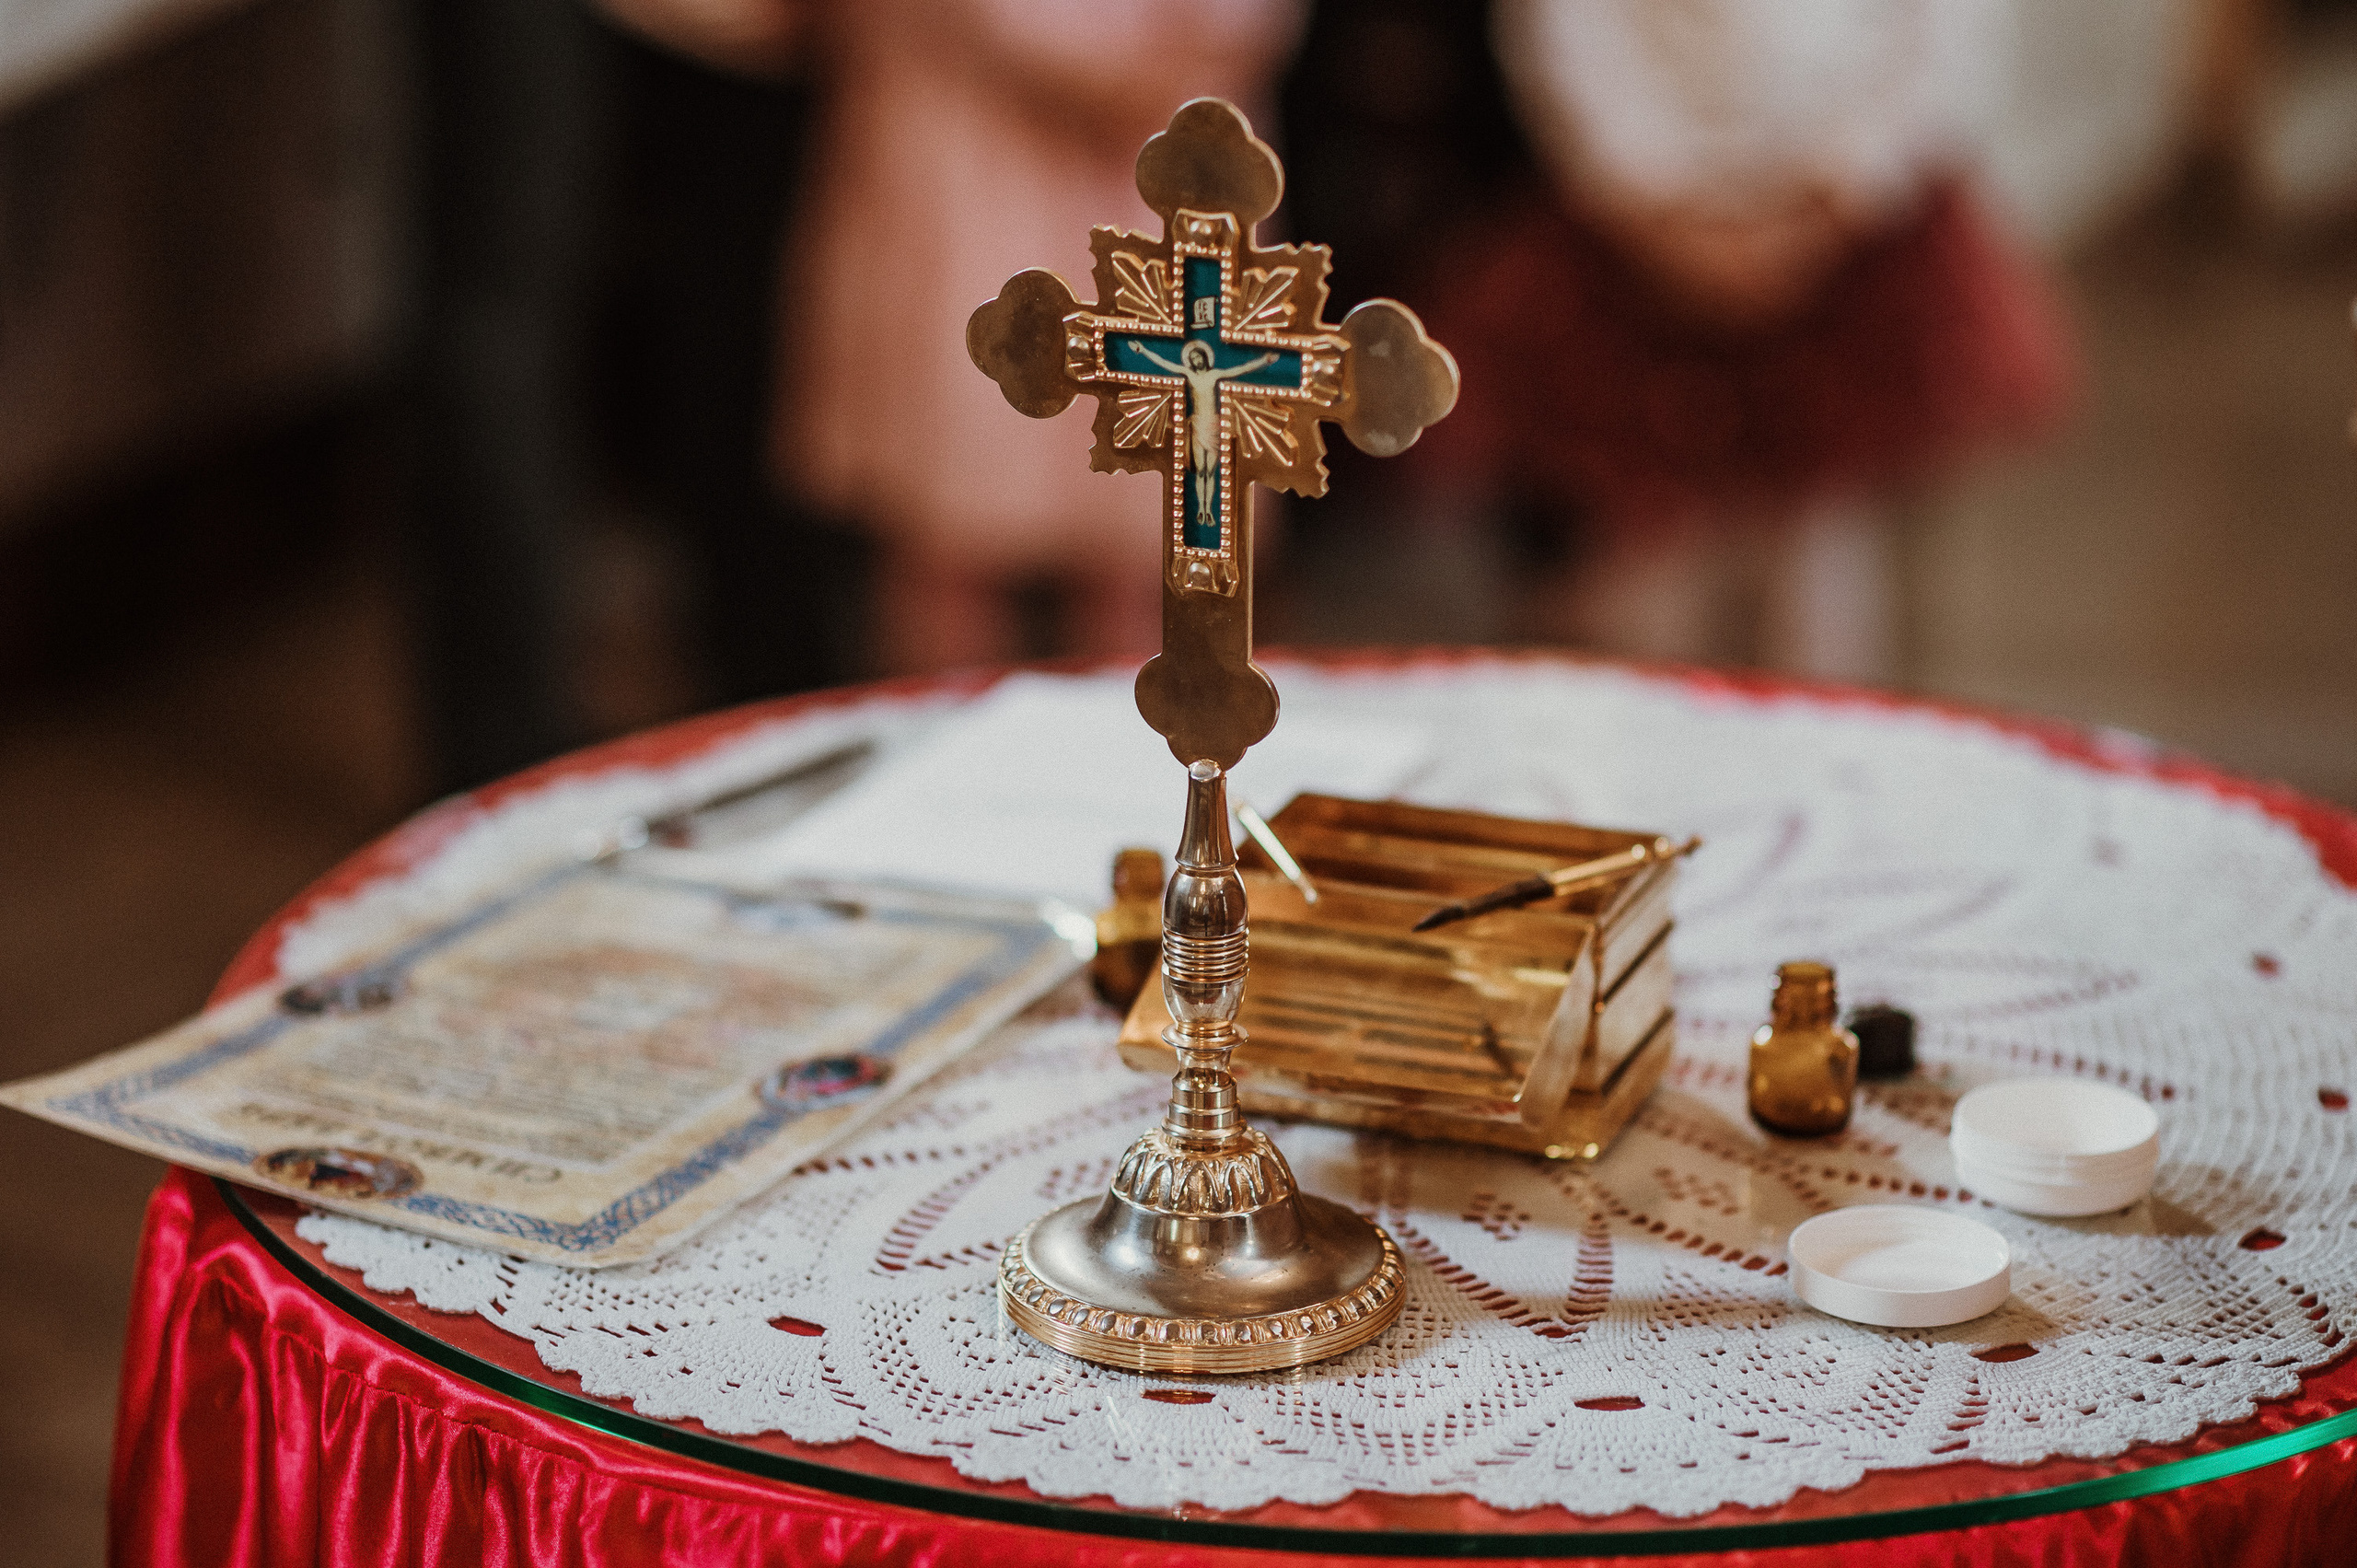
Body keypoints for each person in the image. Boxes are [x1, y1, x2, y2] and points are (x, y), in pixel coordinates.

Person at [1414, 0, 2075, 679]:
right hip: (1633, 219)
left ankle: (1808, 709)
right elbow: (1567, 36)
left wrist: (1832, 193)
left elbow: (1942, 41)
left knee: (1819, 553)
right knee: (1644, 556)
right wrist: (1654, 200)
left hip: (1853, 225)